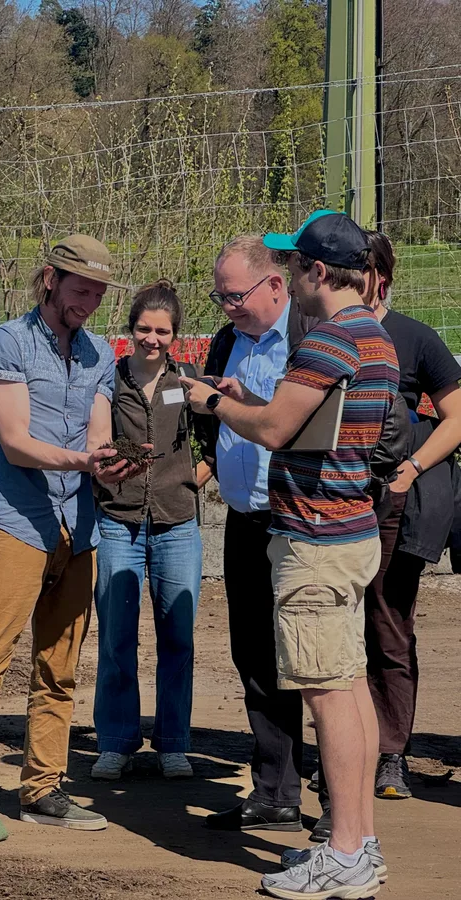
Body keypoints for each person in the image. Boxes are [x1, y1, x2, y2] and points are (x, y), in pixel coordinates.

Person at [184, 210, 398, 900]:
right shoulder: (375, 335)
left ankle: (343, 854)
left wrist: (216, 401)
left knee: (327, 693)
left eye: (295, 267)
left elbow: (277, 430)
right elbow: (314, 421)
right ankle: (357, 840)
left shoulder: (329, 339)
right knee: (350, 686)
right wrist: (258, 398)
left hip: (315, 535)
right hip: (350, 528)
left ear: (312, 272)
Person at [0, 235, 143, 841]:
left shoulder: (102, 354)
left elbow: (98, 435)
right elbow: (15, 440)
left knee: (60, 668)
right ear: (50, 279)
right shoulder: (9, 342)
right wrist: (84, 462)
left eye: (99, 293)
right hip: (17, 524)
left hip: (81, 528)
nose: (90, 303)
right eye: (81, 290)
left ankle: (43, 786)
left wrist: (115, 459)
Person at [192, 235, 317, 834]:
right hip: (244, 521)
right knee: (256, 658)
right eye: (219, 297)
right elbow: (213, 421)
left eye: (234, 295)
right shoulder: (227, 340)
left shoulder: (312, 336)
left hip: (300, 522)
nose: (227, 307)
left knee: (316, 662)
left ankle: (343, 806)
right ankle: (273, 792)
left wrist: (241, 401)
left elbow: (303, 422)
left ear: (275, 285)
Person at [90, 281, 212, 782]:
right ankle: (117, 741)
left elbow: (217, 443)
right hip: (118, 523)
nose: (152, 338)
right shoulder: (109, 380)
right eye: (144, 328)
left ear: (175, 336)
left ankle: (173, 743)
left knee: (176, 638)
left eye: (163, 331)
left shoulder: (188, 384)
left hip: (177, 524)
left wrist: (191, 479)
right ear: (130, 330)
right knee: (117, 638)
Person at [357, 231, 461, 800]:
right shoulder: (325, 335)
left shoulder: (416, 339)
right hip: (336, 501)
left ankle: (391, 753)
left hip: (396, 504)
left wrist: (413, 467)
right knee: (340, 630)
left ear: (382, 277)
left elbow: (456, 416)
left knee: (389, 625)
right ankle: (346, 748)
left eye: (362, 268)